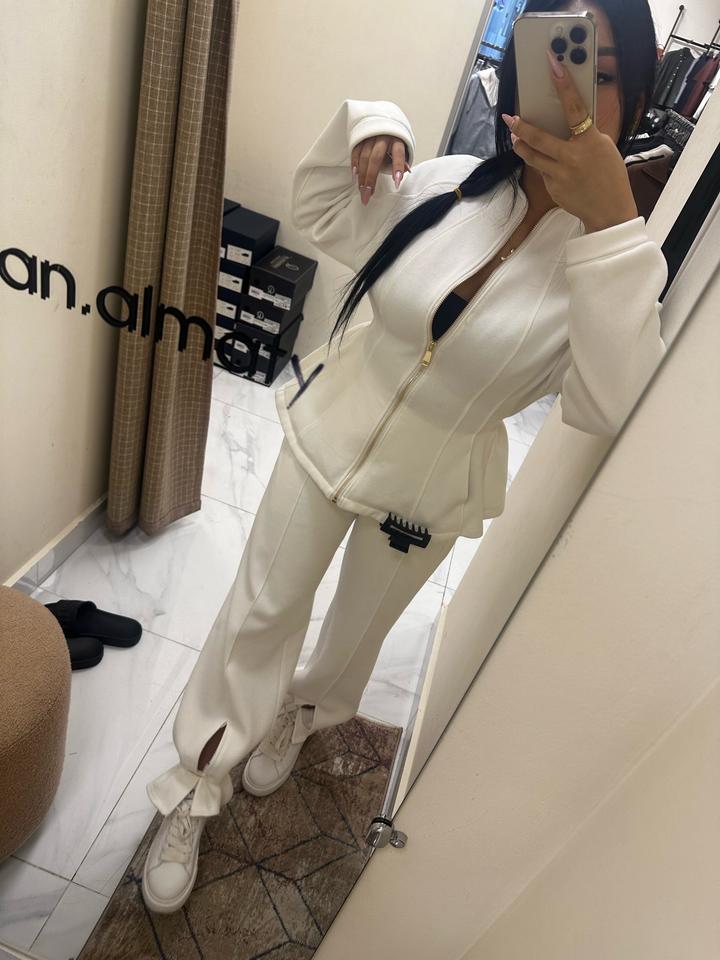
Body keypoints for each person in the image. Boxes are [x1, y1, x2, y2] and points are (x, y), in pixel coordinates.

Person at [141, 0, 668, 914]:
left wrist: (615, 221)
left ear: (640, 98)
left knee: (354, 635)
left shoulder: (609, 263)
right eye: (558, 58)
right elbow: (320, 212)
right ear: (522, 72)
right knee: (261, 611)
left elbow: (608, 400)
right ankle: (196, 781)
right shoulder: (450, 186)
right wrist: (370, 126)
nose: (576, 92)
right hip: (331, 429)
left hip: (430, 486)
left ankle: (304, 714)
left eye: (604, 72)